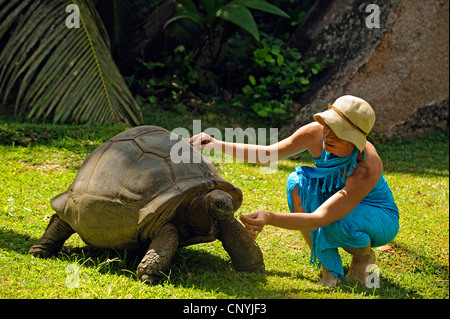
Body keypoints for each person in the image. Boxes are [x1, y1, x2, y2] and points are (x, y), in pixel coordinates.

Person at [188, 95, 399, 287]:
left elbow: (321, 217)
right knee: (297, 182)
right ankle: (329, 270)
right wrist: (216, 143)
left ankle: (363, 257)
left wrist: (269, 218)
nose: (328, 134)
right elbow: (269, 154)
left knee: (337, 222)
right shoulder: (316, 134)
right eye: (328, 125)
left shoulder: (367, 167)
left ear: (355, 140)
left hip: (378, 214)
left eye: (338, 132)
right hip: (334, 200)